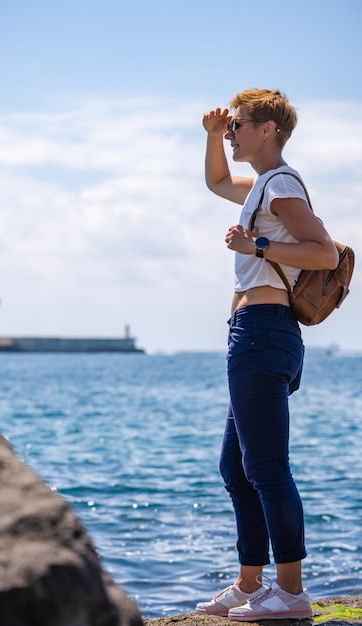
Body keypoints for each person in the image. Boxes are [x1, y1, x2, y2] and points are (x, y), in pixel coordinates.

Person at [195, 89, 338, 621]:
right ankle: (251, 585)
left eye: (237, 125)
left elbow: (322, 250)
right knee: (236, 466)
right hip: (253, 332)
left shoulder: (280, 185)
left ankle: (292, 594)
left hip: (265, 331)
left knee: (267, 467)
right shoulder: (261, 187)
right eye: (229, 127)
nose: (231, 133)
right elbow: (214, 182)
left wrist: (255, 247)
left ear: (268, 130)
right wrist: (211, 137)